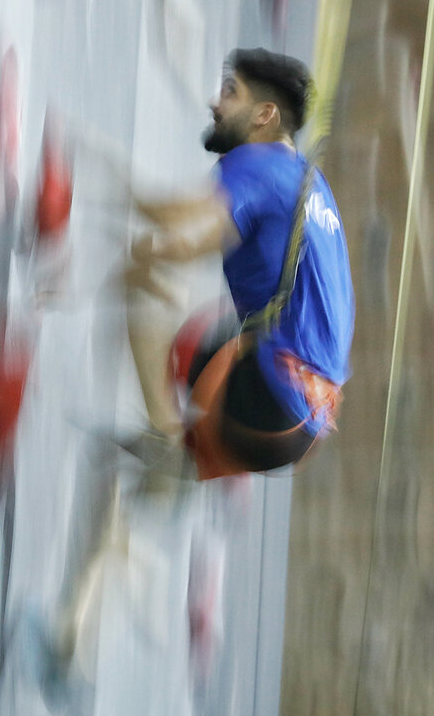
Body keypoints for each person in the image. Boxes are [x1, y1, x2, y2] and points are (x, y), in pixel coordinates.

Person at [124, 48, 354, 480]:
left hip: (268, 400)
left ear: (263, 115)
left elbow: (169, 223)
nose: (216, 102)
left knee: (148, 278)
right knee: (203, 328)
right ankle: (185, 461)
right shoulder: (311, 183)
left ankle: (165, 438)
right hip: (303, 429)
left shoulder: (258, 163)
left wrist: (90, 165)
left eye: (231, 92)